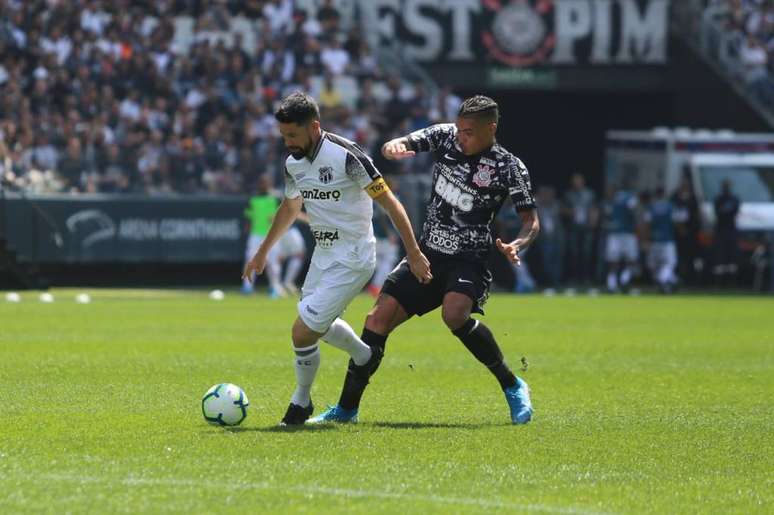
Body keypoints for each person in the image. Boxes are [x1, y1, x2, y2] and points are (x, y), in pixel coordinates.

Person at [310, 95, 538, 425]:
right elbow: (408, 141)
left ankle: (513, 385)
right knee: (376, 321)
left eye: (469, 132)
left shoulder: (509, 167)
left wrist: (520, 242)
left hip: (467, 260)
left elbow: (531, 221)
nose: (461, 136)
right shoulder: (447, 135)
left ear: (491, 128)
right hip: (426, 255)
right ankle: (346, 410)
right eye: (459, 128)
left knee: (454, 315)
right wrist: (394, 146)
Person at [242, 92, 431, 425]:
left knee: (302, 331)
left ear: (314, 126)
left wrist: (414, 253)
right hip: (323, 255)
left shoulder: (346, 157)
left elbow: (390, 203)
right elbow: (290, 207)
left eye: (293, 135)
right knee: (319, 325)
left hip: (354, 256)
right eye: (283, 136)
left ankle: (300, 404)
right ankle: (364, 355)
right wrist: (262, 253)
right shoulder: (293, 164)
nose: (287, 143)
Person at [604, 185, 639, 293]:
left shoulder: (625, 197)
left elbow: (633, 211)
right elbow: (635, 211)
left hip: (623, 233)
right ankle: (616, 283)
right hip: (620, 233)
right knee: (620, 260)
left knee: (620, 260)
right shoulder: (628, 198)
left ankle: (619, 282)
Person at [563, 173, 596, 286]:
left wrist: (593, 220)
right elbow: (563, 209)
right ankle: (574, 278)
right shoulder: (569, 195)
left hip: (586, 228)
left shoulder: (590, 194)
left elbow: (594, 208)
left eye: (579, 180)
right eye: (575, 181)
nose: (577, 183)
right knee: (574, 253)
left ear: (583, 181)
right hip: (574, 227)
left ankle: (586, 278)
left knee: (586, 253)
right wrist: (569, 212)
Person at [644, 187, 678, 293]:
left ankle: (672, 282)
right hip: (667, 240)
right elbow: (677, 221)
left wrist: (646, 239)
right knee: (670, 263)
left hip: (654, 240)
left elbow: (646, 224)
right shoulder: (670, 206)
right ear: (664, 194)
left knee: (655, 265)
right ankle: (663, 280)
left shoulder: (651, 207)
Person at [713, 179, 740, 286]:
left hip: (731, 230)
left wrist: (725, 211)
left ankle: (732, 281)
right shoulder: (719, 199)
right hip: (721, 230)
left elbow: (734, 212)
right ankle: (719, 282)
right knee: (720, 257)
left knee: (732, 257)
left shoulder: (734, 199)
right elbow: (718, 213)